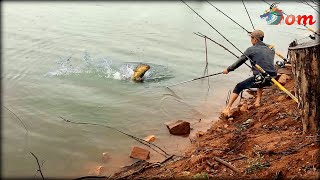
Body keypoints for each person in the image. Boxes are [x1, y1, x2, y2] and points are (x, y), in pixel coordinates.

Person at [221, 30, 277, 118]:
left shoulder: (250, 49)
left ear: (255, 39)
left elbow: (239, 62)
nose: (251, 40)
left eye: (251, 38)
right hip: (273, 78)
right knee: (260, 75)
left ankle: (228, 108)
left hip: (262, 79)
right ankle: (258, 100)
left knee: (239, 86)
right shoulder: (271, 48)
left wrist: (228, 69)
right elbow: (264, 60)